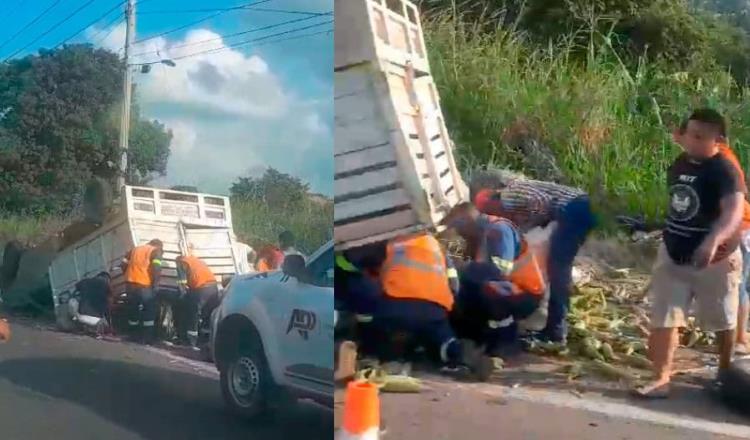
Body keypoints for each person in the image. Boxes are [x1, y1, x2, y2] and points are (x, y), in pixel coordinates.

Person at [635, 108, 744, 398]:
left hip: (716, 259)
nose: (695, 142)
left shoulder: (724, 170)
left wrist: (712, 240)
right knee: (665, 316)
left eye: (703, 137)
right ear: (679, 136)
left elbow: (733, 213)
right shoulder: (679, 163)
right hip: (674, 253)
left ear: (717, 140)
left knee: (721, 320)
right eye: (691, 135)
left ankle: (724, 373)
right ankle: (661, 378)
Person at [472, 175, 595, 344]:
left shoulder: (509, 197)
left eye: (490, 211)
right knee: (560, 268)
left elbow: (540, 201)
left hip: (575, 209)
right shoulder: (513, 196)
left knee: (558, 269)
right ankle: (558, 324)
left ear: (493, 202)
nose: (495, 215)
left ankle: (556, 332)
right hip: (579, 207)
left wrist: (533, 224)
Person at [368, 231, 492, 380]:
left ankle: (384, 355)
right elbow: (454, 285)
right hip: (433, 310)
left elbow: (375, 279)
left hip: (397, 306)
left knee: (380, 329)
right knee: (442, 339)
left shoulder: (392, 242)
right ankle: (458, 354)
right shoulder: (437, 247)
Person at [673, 120, 750, 354]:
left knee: (738, 285)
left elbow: (736, 195)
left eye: (697, 136)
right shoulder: (693, 160)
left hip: (740, 227)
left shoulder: (722, 161)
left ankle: (740, 337)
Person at [442, 202, 546, 355]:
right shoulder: (482, 233)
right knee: (467, 293)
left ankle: (506, 339)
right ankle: (478, 336)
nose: (459, 234)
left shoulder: (497, 230)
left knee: (488, 290)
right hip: (509, 287)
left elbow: (500, 271)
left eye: (459, 228)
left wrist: (463, 268)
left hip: (525, 291)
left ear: (468, 220)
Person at [121, 239, 164, 344]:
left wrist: (128, 275)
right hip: (144, 285)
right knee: (149, 310)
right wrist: (155, 285)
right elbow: (156, 269)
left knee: (133, 309)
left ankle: (133, 335)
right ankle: (147, 338)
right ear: (158, 246)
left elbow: (123, 264)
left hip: (130, 284)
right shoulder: (155, 251)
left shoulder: (134, 250)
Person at [175, 254, 220, 348]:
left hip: (201, 289)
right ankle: (206, 341)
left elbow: (182, 283)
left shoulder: (182, 263)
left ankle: (191, 341)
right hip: (213, 288)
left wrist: (182, 296)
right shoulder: (197, 261)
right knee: (207, 315)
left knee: (192, 314)